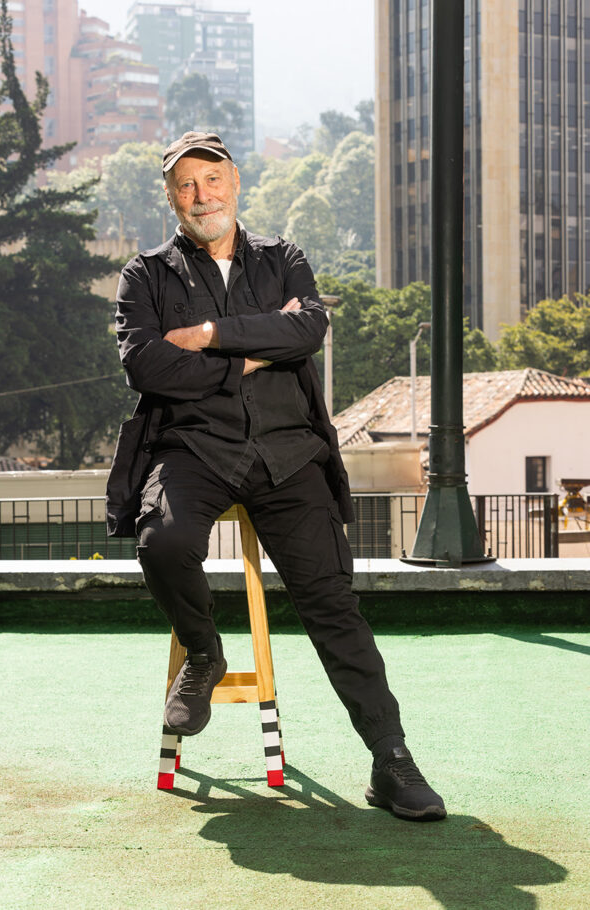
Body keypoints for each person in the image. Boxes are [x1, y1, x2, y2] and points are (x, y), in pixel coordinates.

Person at [106, 131, 446, 822]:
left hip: (288, 454)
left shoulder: (282, 257)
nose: (202, 195)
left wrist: (209, 337)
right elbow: (148, 367)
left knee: (332, 604)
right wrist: (257, 348)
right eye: (185, 185)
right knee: (163, 541)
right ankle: (204, 653)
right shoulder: (144, 275)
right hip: (193, 449)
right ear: (170, 197)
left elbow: (308, 331)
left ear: (234, 182)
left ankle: (391, 758)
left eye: (212, 179)